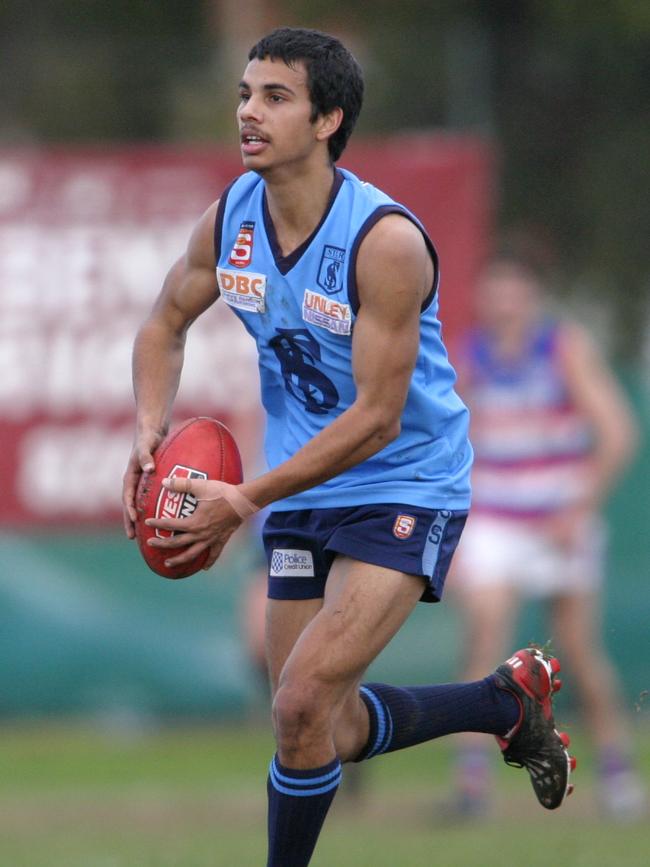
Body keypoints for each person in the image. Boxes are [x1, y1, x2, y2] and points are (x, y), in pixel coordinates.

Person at [122, 28, 575, 866]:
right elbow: (163, 324)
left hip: (405, 482)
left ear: (329, 118)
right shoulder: (231, 220)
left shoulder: (384, 243)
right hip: (303, 490)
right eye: (245, 93)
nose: (247, 112)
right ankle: (503, 703)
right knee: (311, 719)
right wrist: (150, 423)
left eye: (275, 97)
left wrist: (245, 496)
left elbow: (376, 418)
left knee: (301, 704)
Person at [449, 246, 646, 820]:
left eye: (516, 288)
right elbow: (451, 444)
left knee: (579, 652)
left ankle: (617, 771)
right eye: (495, 287)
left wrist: (577, 508)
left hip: (559, 521)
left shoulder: (564, 349)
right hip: (495, 519)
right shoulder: (470, 357)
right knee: (485, 637)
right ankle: (472, 782)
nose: (504, 300)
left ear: (534, 294)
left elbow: (618, 434)